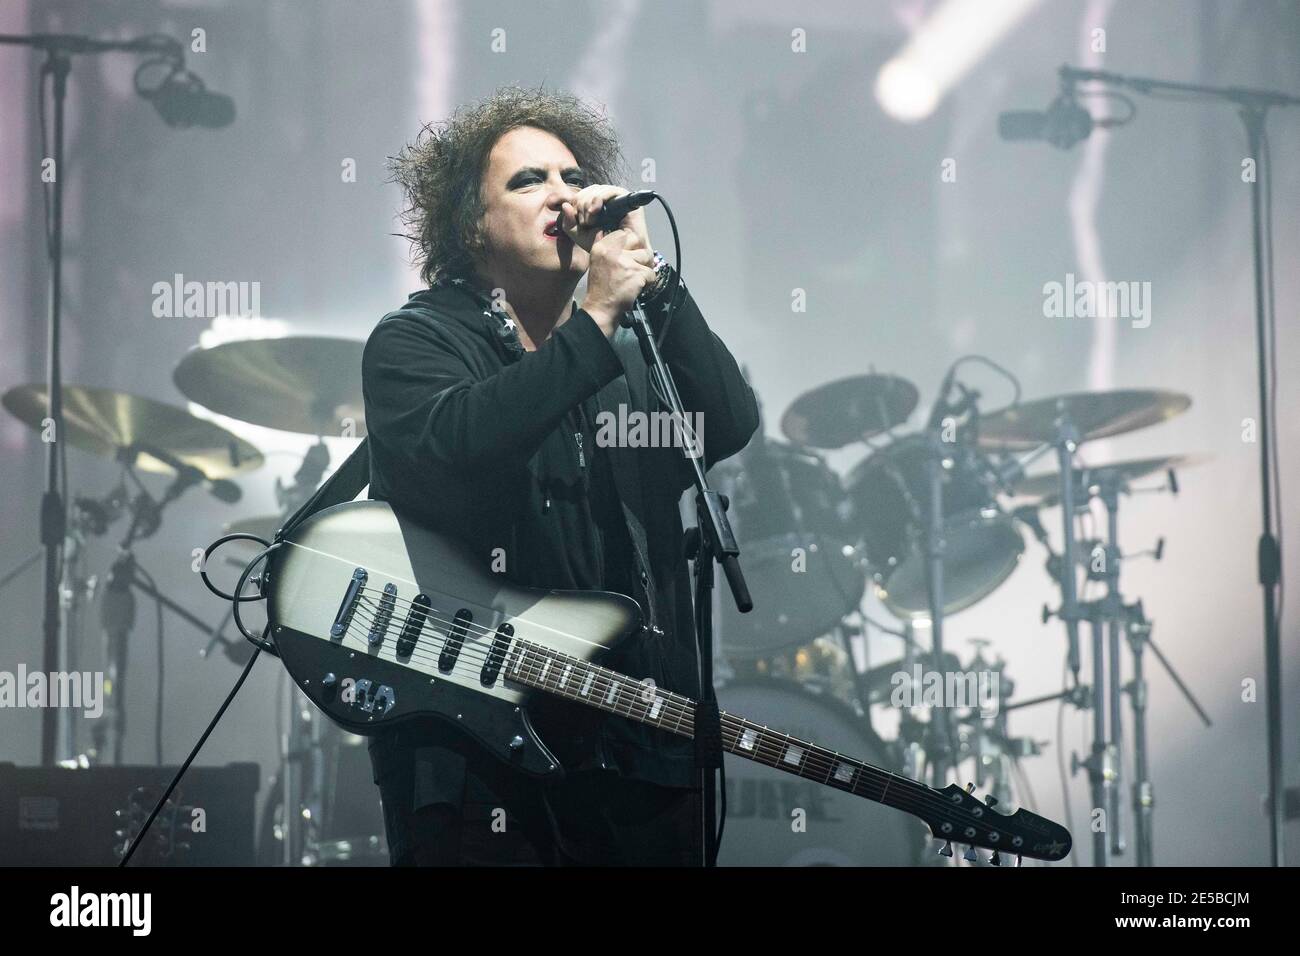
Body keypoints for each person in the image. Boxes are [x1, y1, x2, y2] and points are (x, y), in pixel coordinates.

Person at [362, 85, 759, 865]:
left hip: (635, 747)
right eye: (529, 181)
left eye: (574, 178)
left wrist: (660, 289)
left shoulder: (628, 360)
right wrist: (598, 320)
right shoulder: (416, 342)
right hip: (479, 747)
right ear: (471, 226)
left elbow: (728, 423)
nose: (565, 196)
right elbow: (468, 441)